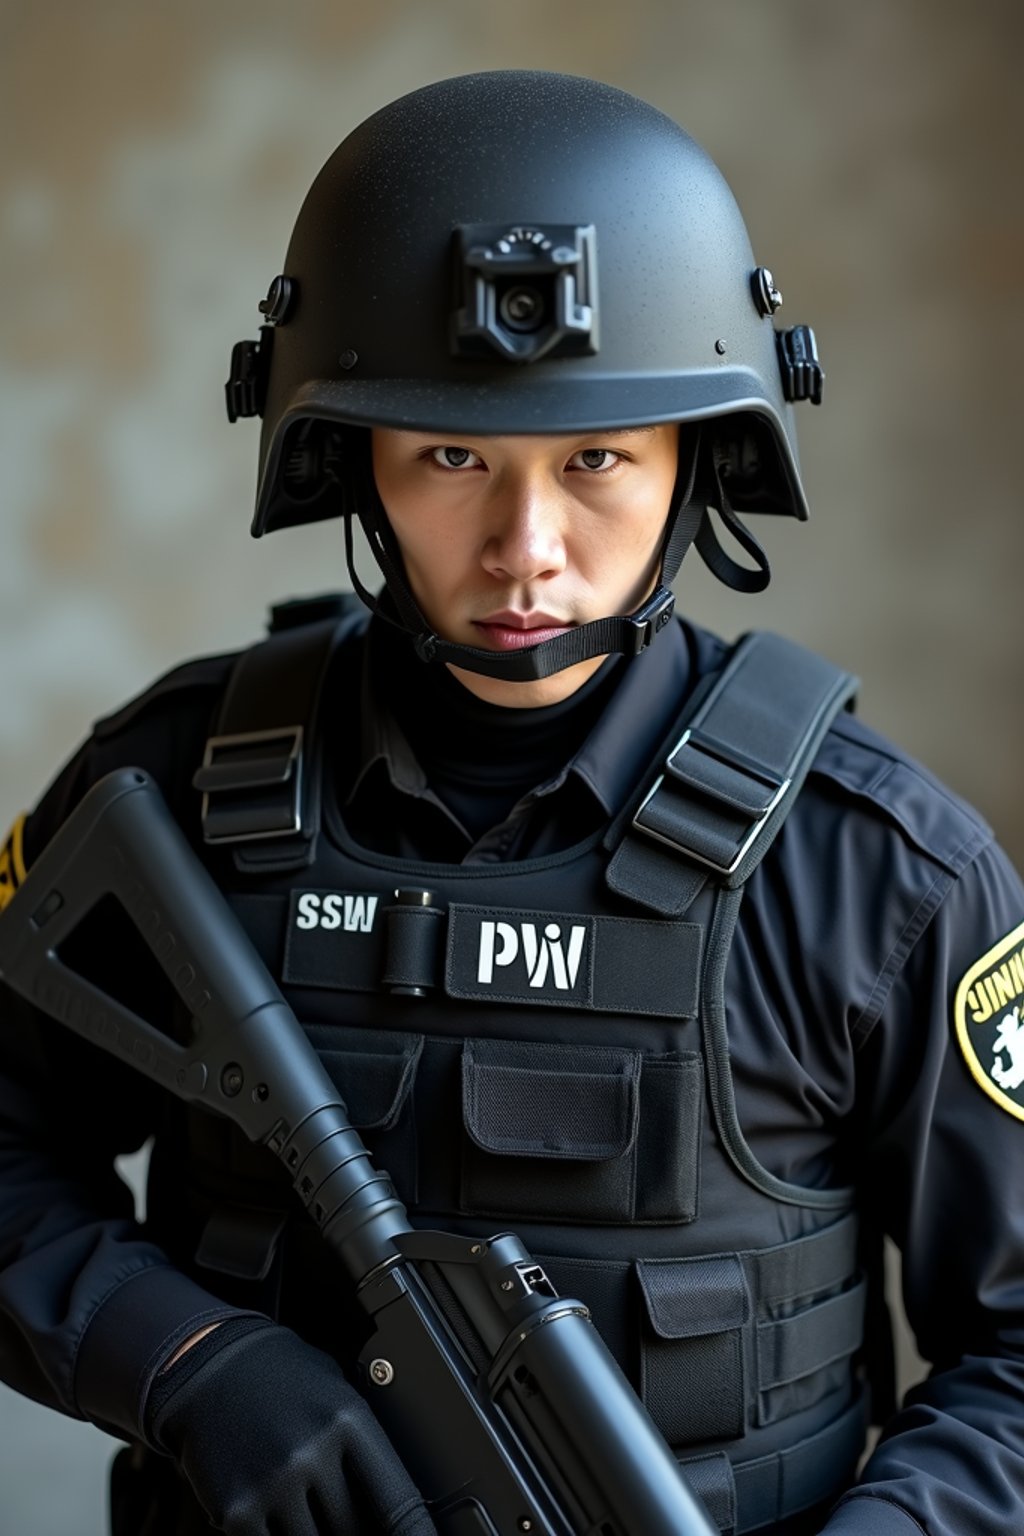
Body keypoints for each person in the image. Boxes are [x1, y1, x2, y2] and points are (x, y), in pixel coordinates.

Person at [1, 68, 1023, 1536]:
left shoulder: (879, 874)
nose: (525, 548)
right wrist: (187, 1362)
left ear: (700, 461)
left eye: (598, 459)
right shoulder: (164, 790)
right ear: (350, 456)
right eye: (452, 458)